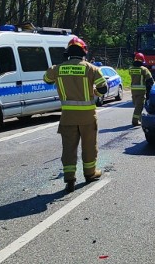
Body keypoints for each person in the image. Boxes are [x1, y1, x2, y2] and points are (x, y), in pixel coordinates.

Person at [43, 37, 108, 193]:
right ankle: (90, 173)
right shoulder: (91, 69)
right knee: (89, 147)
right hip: (87, 117)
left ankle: (70, 178)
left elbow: (46, 79)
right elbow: (104, 88)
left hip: (68, 117)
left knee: (69, 148)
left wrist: (59, 68)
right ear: (84, 52)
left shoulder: (57, 69)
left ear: (68, 53)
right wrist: (95, 92)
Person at [129, 53, 154, 126]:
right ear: (142, 60)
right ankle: (135, 121)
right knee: (139, 106)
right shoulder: (144, 69)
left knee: (136, 105)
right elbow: (150, 80)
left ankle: (139, 119)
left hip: (133, 90)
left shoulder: (131, 69)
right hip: (141, 90)